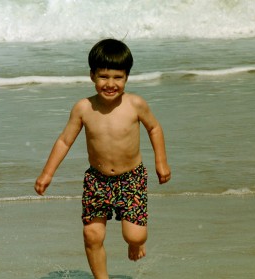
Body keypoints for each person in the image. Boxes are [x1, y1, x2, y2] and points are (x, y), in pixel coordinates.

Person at [34, 38, 171, 278]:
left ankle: (136, 243)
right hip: (97, 180)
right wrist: (47, 173)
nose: (110, 84)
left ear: (127, 77)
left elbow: (154, 129)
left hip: (132, 179)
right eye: (103, 77)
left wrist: (161, 161)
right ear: (92, 75)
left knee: (135, 235)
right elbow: (65, 141)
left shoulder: (135, 104)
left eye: (117, 77)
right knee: (92, 235)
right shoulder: (84, 108)